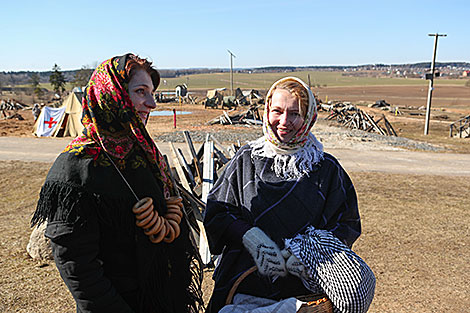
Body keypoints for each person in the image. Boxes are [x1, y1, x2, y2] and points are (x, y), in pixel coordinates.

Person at [31, 53, 203, 313]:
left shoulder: (144, 154)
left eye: (152, 92)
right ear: (111, 94)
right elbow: (77, 267)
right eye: (141, 92)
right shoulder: (76, 168)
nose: (152, 103)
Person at [204, 77, 367, 313]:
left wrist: (310, 253)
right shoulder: (246, 159)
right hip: (241, 283)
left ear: (309, 117)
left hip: (308, 289)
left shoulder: (326, 168)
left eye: (294, 114)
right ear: (266, 110)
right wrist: (251, 237)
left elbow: (346, 225)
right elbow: (217, 212)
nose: (284, 121)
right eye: (277, 111)